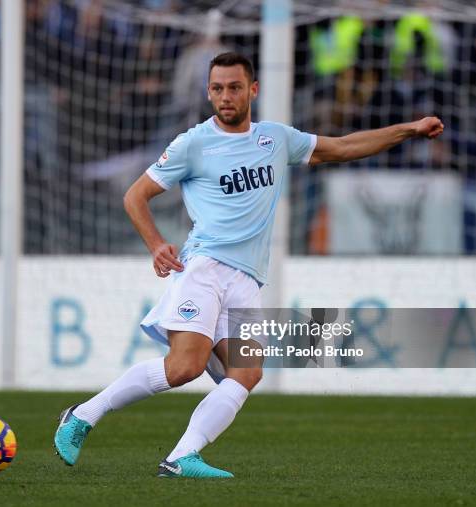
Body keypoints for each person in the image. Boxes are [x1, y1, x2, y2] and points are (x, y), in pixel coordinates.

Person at [54, 52, 444, 478]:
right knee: (183, 367)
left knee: (247, 372)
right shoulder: (193, 143)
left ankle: (182, 457)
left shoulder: (276, 140)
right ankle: (81, 416)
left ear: (252, 90)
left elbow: (344, 147)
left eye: (234, 87)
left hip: (246, 280)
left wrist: (408, 129)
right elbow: (135, 196)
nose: (225, 96)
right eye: (217, 88)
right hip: (204, 269)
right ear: (208, 92)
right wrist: (156, 245)